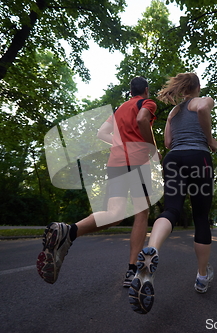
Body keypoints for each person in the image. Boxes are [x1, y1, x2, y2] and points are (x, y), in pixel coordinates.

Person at [37, 76, 160, 286]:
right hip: (138, 160)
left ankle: (70, 231)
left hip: (116, 162)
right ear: (146, 90)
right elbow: (141, 120)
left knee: (115, 214)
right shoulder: (146, 103)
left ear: (130, 91)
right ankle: (132, 271)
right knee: (142, 212)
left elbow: (101, 132)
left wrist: (120, 142)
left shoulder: (120, 109)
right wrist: (152, 148)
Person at [128, 73, 217, 314]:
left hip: (174, 159)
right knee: (200, 216)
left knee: (171, 210)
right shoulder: (203, 100)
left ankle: (153, 249)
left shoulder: (172, 113)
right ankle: (201, 277)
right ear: (197, 87)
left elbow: (167, 143)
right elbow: (200, 109)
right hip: (198, 157)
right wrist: (210, 140)